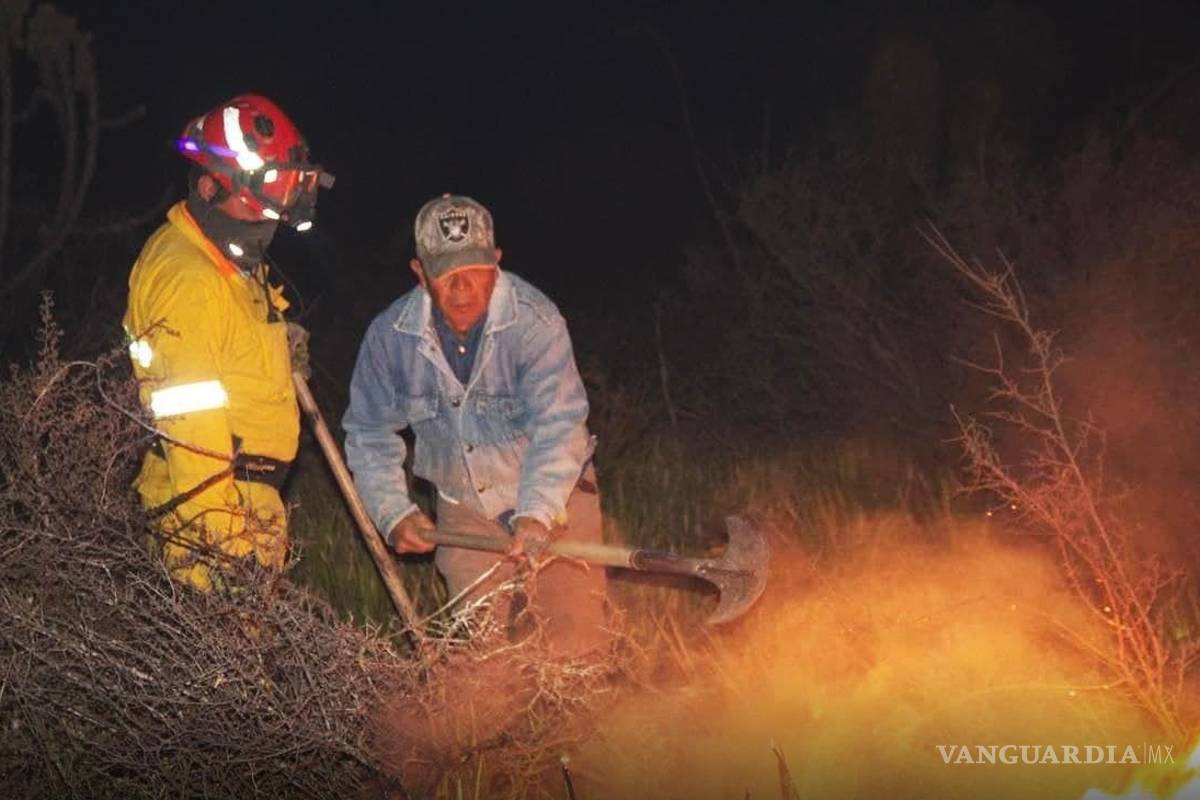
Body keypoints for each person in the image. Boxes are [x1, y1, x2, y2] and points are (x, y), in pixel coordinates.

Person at [343, 194, 608, 656]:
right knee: (479, 653)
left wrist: (536, 512)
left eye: (475, 268)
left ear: (497, 263)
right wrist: (392, 512)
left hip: (557, 494)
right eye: (445, 271)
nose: (462, 286)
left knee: (576, 645)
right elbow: (368, 432)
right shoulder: (389, 337)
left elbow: (561, 423)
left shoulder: (536, 321)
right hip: (463, 505)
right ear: (420, 273)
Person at [122, 94, 333, 591]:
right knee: (215, 669)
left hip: (247, 508)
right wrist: (229, 551)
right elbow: (191, 430)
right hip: (208, 528)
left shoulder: (227, 259)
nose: (274, 213)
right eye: (262, 194)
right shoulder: (189, 279)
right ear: (210, 185)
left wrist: (277, 345)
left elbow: (232, 341)